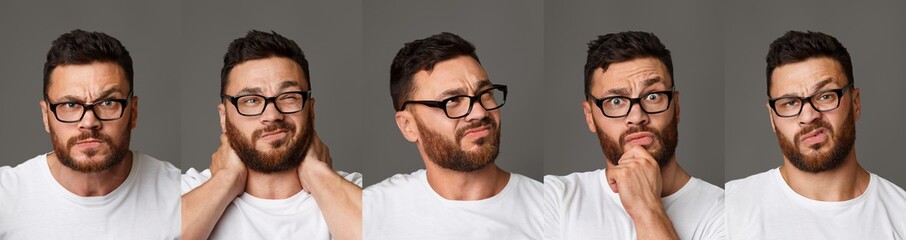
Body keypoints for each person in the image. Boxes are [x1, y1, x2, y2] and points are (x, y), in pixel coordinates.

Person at [180, 30, 362, 240]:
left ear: (311, 111)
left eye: (288, 97)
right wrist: (224, 180)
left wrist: (319, 177)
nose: (272, 115)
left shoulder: (354, 192)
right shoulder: (185, 192)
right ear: (223, 117)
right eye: (250, 100)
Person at [543, 31, 725, 240]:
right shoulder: (553, 198)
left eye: (653, 96)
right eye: (616, 101)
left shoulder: (724, 214)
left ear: (676, 107)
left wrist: (647, 209)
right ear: (589, 116)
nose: (637, 117)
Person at [0, 29, 180, 239]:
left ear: (133, 111)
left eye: (108, 102)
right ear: (45, 115)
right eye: (70, 104)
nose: (89, 122)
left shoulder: (178, 194)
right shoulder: (5, 197)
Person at [726, 30, 906, 239]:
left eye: (825, 96)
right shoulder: (731, 209)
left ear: (856, 103)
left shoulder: (900, 217)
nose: (809, 116)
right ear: (772, 118)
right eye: (790, 103)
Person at [363, 32, 543, 240]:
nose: (479, 112)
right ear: (408, 125)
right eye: (452, 101)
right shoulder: (372, 212)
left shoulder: (545, 209)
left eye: (485, 94)